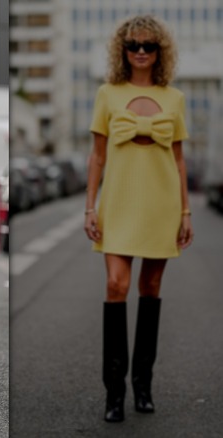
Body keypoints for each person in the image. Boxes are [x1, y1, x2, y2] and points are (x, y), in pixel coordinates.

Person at [85, 15, 192, 423]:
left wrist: (185, 212)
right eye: (134, 45)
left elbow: (180, 161)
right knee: (117, 284)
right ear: (123, 50)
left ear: (159, 51)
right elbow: (97, 156)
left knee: (151, 285)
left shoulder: (175, 99)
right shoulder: (108, 94)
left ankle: (143, 387)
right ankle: (114, 392)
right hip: (120, 203)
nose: (142, 51)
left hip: (162, 203)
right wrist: (89, 206)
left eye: (149, 45)